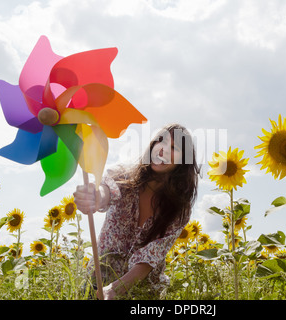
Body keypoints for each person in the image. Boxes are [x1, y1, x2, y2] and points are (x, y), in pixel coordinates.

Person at [74, 123, 200, 299]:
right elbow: (108, 190)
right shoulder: (124, 176)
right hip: (98, 283)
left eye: (173, 147)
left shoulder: (179, 208)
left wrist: (116, 289)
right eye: (160, 142)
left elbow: (151, 255)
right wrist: (96, 196)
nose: (162, 150)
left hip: (142, 291)